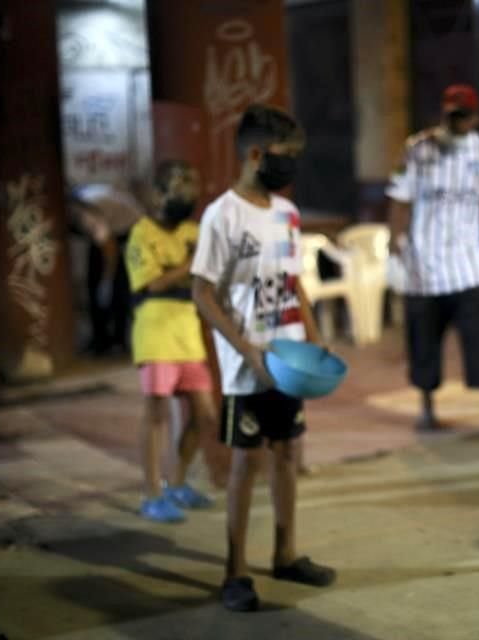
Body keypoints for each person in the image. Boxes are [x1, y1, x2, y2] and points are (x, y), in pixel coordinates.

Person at [191, 104, 335, 612]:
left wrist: (315, 338)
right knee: (247, 463)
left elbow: (294, 283)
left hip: (288, 360)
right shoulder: (222, 215)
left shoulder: (287, 214)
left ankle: (285, 552)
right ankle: (234, 570)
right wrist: (244, 348)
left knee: (287, 455)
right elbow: (202, 292)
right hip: (245, 367)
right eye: (286, 156)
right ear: (256, 154)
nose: (291, 166)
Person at [387, 83, 479, 437]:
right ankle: (427, 410)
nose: (457, 122)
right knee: (424, 341)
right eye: (452, 116)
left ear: (475, 117)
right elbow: (400, 202)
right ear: (443, 114)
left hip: (469, 264)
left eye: (464, 116)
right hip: (424, 265)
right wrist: (395, 250)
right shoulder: (416, 150)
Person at [125, 160, 216, 522]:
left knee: (205, 414)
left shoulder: (194, 231)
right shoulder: (141, 233)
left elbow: (205, 279)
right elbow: (152, 284)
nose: (185, 199)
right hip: (155, 330)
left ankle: (176, 482)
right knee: (157, 413)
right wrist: (190, 266)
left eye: (190, 192)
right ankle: (151, 494)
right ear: (158, 194)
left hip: (187, 331)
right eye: (177, 190)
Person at [70, 182, 143, 354]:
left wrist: (107, 281)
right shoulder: (79, 199)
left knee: (115, 288)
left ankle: (114, 342)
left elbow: (109, 248)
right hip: (118, 223)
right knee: (96, 277)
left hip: (129, 230)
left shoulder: (85, 213)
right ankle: (102, 338)